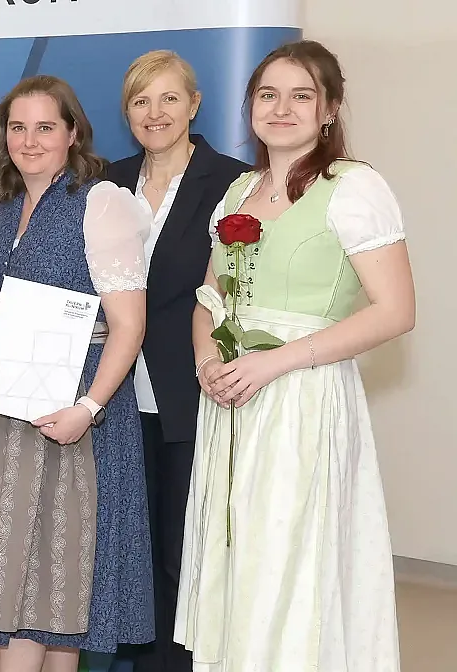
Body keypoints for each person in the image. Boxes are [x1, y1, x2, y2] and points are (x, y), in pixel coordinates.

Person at [176, 39, 411, 671]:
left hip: (303, 397)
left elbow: (395, 311)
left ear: (330, 108)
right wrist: (207, 363)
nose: (281, 109)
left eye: (301, 95)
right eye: (268, 94)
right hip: (233, 400)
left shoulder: (355, 187)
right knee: (241, 556)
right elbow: (210, 297)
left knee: (291, 559)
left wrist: (274, 361)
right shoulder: (238, 191)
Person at [0, 74, 154, 672]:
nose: (29, 141)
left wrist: (90, 407)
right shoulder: (4, 208)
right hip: (10, 410)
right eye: (18, 128)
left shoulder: (102, 202)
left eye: (45, 127)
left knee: (57, 576)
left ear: (73, 133)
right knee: (34, 579)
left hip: (76, 411)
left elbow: (128, 325)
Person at [101, 50, 249, 672]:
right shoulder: (108, 182)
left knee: (183, 553)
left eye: (168, 98)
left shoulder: (235, 184)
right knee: (128, 553)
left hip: (191, 393)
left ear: (194, 104)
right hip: (112, 397)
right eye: (140, 101)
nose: (154, 113)